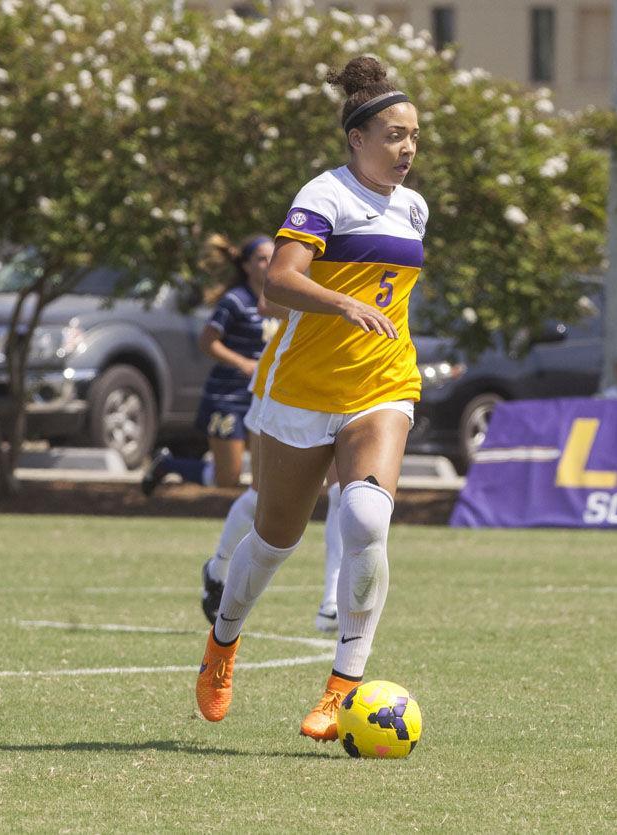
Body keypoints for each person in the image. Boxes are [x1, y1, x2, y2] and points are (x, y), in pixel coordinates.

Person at [195, 55, 428, 741]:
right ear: (356, 138)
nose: (407, 147)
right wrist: (341, 304)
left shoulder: (414, 207)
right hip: (298, 392)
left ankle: (340, 690)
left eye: (414, 135)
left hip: (382, 385)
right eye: (392, 133)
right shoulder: (322, 196)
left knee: (364, 521)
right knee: (274, 539)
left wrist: (368, 323)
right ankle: (222, 645)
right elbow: (280, 285)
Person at [200, 304, 343, 631]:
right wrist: (339, 305)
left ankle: (331, 603)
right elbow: (271, 297)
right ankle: (217, 568)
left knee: (343, 495)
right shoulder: (313, 251)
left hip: (343, 380)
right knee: (262, 497)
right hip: (284, 381)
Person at [141, 234, 274, 492]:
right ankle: (167, 465)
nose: (269, 264)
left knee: (264, 479)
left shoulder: (280, 302)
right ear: (246, 266)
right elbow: (207, 342)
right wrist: (243, 363)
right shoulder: (235, 301)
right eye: (261, 259)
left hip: (263, 398)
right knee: (228, 479)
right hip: (228, 397)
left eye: (273, 258)